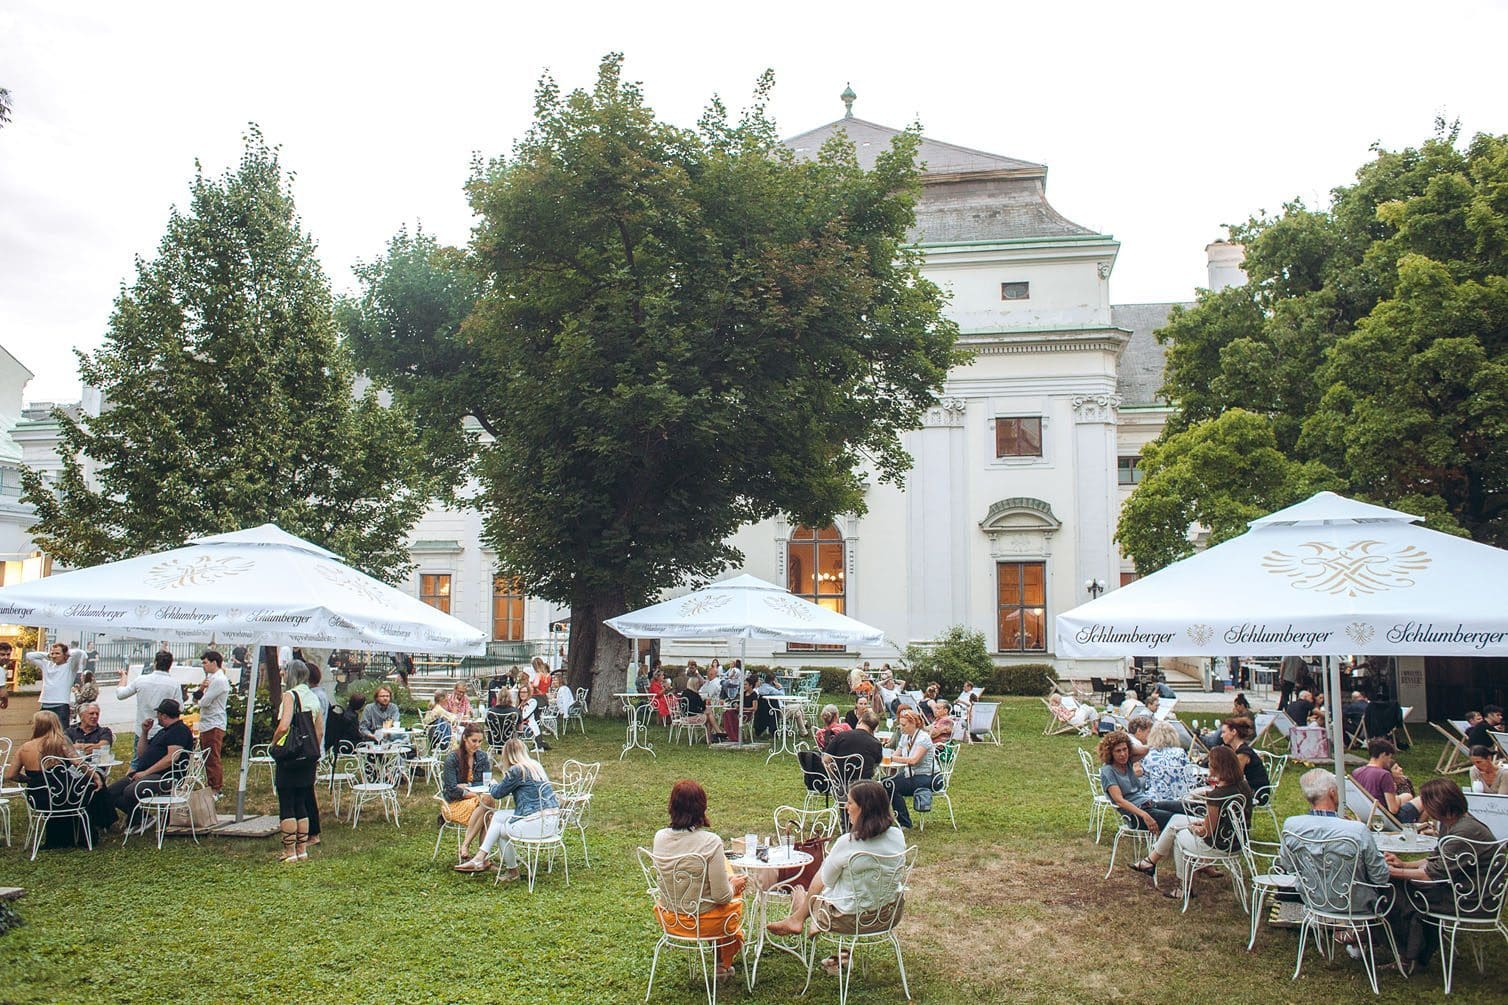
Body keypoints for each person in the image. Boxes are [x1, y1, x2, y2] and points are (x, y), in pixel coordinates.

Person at [766, 779, 906, 974]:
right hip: (887, 915)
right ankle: (808, 916)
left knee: (820, 881)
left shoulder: (847, 843)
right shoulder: (897, 836)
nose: (845, 807)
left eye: (850, 803)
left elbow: (824, 881)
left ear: (864, 808)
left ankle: (800, 916)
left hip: (848, 919)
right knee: (845, 880)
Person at [1384, 778, 1497, 974]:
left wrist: (1393, 872)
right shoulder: (1453, 823)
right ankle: (1414, 949)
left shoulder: (1463, 832)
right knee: (1398, 886)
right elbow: (1435, 860)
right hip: (1460, 887)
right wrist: (1403, 864)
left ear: (1438, 804)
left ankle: (1409, 954)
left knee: (1394, 890)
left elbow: (1430, 875)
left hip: (1470, 898)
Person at [643, 779, 747, 983]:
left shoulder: (659, 837)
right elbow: (721, 896)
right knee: (732, 894)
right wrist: (733, 885)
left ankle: (721, 961)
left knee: (722, 878)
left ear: (671, 806)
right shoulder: (710, 842)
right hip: (704, 922)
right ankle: (722, 963)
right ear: (702, 807)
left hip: (670, 917)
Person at [1129, 745, 1252, 898]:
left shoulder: (1217, 796)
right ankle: (1150, 861)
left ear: (1216, 767)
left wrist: (1194, 828)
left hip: (1219, 845)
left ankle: (1184, 887)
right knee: (1175, 820)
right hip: (1237, 840)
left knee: (1179, 835)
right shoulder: (1243, 786)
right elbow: (1221, 820)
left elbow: (1206, 832)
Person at [1281, 768, 1390, 913]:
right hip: (1356, 905)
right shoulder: (1358, 830)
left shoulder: (1291, 825)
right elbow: (1380, 877)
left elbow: (1289, 867)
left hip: (1313, 901)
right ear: (1332, 792)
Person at [455, 738, 561, 882]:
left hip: (535, 824)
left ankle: (501, 867)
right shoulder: (535, 766)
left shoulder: (517, 770)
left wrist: (492, 784)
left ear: (507, 755)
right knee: (497, 817)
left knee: (499, 829)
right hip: (552, 822)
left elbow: (498, 793)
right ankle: (481, 859)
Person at [5, 711, 113, 847]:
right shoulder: (60, 743)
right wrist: (95, 776)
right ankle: (100, 823)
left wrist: (30, 780)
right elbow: (79, 764)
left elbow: (10, 775)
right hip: (65, 797)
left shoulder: (24, 748)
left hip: (40, 798)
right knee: (92, 785)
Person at [108, 698, 193, 831]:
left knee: (129, 791)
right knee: (111, 792)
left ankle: (139, 819)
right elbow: (142, 754)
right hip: (147, 772)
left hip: (165, 776)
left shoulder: (179, 731)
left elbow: (171, 758)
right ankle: (142, 817)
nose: (157, 717)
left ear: (163, 715)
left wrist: (145, 773)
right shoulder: (163, 731)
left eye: (158, 714)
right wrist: (144, 732)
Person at [271, 660, 323, 863]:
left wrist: (274, 744)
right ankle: (302, 849)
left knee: (287, 803)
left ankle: (289, 850)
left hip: (290, 756)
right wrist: (312, 751)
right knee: (302, 801)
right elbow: (319, 730)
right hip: (308, 756)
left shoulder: (290, 695)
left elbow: (284, 726)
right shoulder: (314, 696)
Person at [1098, 729, 1184, 835]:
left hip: (1148, 804)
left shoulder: (1127, 763)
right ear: (1110, 753)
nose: (1123, 754)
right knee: (1177, 819)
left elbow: (1145, 750)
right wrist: (1144, 815)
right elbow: (1119, 800)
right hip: (1135, 815)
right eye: (1118, 751)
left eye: (1125, 749)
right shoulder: (1108, 771)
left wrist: (1127, 746)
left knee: (1185, 807)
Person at [116, 651, 184, 765]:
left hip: (142, 728)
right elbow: (180, 708)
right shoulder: (174, 684)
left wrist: (123, 676)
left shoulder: (141, 680)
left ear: (155, 663)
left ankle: (131, 780)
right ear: (170, 665)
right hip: (162, 730)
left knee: (137, 763)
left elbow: (120, 694)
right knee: (158, 762)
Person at [441, 723, 493, 858]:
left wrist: (467, 787)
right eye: (474, 741)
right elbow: (452, 790)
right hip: (454, 803)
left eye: (480, 741)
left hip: (477, 801)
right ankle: (481, 856)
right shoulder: (453, 758)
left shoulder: (482, 757)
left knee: (488, 806)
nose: (477, 745)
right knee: (489, 808)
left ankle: (469, 848)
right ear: (465, 738)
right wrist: (474, 792)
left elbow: (485, 781)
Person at [884, 707, 935, 829]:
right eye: (900, 725)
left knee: (890, 784)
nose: (901, 727)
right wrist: (892, 757)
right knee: (885, 782)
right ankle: (892, 818)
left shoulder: (923, 738)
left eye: (904, 725)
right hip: (910, 774)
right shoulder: (905, 737)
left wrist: (892, 758)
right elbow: (896, 754)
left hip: (925, 776)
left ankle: (904, 822)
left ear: (913, 724)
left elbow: (913, 760)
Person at [1352, 737, 1423, 824]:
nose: (1389, 761)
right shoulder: (1384, 774)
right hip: (1386, 820)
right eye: (1389, 757)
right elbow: (1393, 809)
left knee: (1406, 796)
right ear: (1383, 754)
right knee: (1425, 799)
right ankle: (1419, 829)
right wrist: (1398, 797)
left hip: (1366, 817)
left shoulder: (1356, 772)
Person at [195, 650, 230, 794]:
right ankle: (212, 784)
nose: (203, 666)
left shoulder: (219, 680)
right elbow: (197, 698)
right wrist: (201, 688)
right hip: (207, 722)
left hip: (214, 723)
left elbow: (204, 702)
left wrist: (201, 697)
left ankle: (216, 788)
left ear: (214, 663)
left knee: (212, 757)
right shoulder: (211, 678)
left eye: (205, 662)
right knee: (207, 756)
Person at [28, 642, 86, 725]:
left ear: (64, 655)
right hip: (45, 703)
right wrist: (48, 655)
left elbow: (78, 653)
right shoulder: (46, 664)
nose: (54, 656)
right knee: (43, 732)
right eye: (52, 653)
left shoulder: (70, 666)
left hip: (61, 705)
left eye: (57, 653)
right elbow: (29, 656)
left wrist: (67, 654)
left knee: (61, 732)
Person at [1140, 720, 1192, 802]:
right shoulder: (1180, 752)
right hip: (1180, 798)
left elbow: (1146, 780)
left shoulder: (1148, 755)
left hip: (1156, 798)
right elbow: (1189, 776)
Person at [824, 710, 885, 779]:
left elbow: (826, 759)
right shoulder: (876, 744)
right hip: (864, 785)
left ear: (860, 721)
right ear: (874, 729)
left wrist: (834, 779)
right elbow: (875, 766)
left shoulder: (841, 736)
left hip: (841, 784)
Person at [1218, 717, 1270, 796]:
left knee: (1214, 795)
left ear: (1234, 732)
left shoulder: (1243, 753)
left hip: (1257, 792)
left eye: (1224, 732)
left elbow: (1235, 777)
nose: (1221, 736)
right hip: (1245, 788)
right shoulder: (1237, 749)